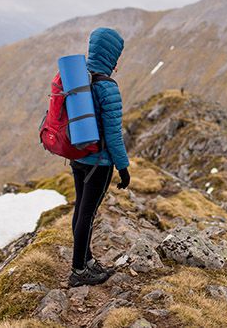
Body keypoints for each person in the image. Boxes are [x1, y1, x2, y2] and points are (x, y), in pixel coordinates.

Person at [68, 27, 132, 287]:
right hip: (100, 163)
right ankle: (79, 271)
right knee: (88, 214)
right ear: (112, 56)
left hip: (78, 157)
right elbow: (114, 135)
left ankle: (87, 260)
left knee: (80, 210)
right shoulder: (107, 87)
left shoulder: (78, 80)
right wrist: (123, 168)